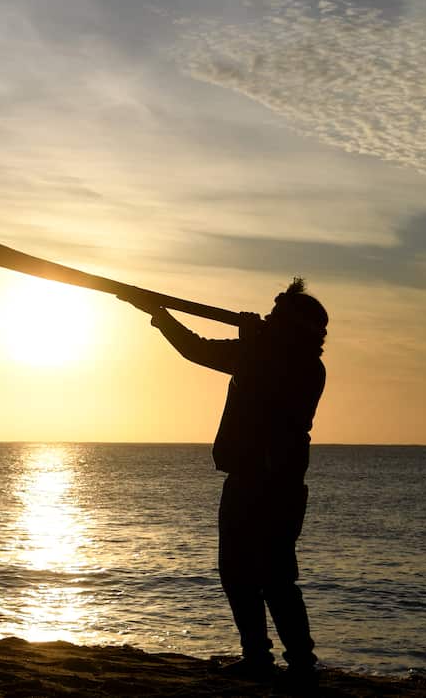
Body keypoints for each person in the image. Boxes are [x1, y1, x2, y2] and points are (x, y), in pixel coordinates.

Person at [122, 279, 327, 689]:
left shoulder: (301, 366)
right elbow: (195, 348)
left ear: (295, 327)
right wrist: (160, 316)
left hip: (274, 486)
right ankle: (258, 657)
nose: (267, 319)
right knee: (236, 573)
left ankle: (301, 663)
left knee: (275, 578)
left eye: (276, 316)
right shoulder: (258, 353)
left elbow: (270, 392)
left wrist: (250, 341)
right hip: (246, 479)